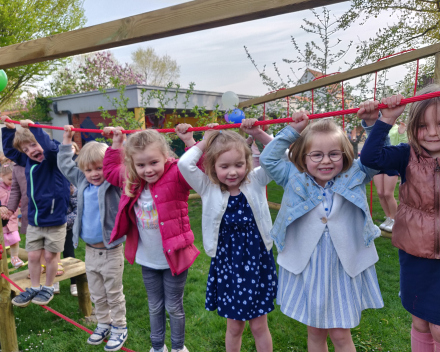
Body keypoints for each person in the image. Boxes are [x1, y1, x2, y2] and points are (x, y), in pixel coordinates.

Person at [260, 113, 384, 351]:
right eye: (316, 154)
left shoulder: (355, 174)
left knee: (340, 334)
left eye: (334, 153)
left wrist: (371, 125)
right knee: (315, 332)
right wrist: (293, 131)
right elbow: (268, 159)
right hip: (309, 264)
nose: (326, 161)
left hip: (343, 265)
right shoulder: (293, 177)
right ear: (303, 157)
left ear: (345, 154)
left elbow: (376, 156)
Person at [178, 119, 277, 352]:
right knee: (234, 327)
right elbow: (184, 163)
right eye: (224, 166)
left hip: (257, 261)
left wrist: (259, 133)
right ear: (212, 167)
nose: (233, 172)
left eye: (239, 164)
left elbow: (279, 156)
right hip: (228, 265)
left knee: (259, 326)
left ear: (247, 163)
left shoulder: (256, 179)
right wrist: (206, 140)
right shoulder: (207, 187)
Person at [103, 125, 200, 352]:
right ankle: (157, 347)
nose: (147, 170)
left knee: (174, 307)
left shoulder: (177, 174)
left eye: (153, 162)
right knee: (155, 306)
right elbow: (109, 170)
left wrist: (189, 141)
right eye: (141, 164)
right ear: (132, 164)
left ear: (165, 157)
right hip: (148, 260)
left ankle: (177, 348)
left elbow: (200, 169)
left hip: (175, 258)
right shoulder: (131, 179)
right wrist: (117, 142)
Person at [359, 86, 440, 351]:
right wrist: (386, 120)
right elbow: (370, 157)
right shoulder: (407, 154)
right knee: (419, 321)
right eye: (422, 125)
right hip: (415, 254)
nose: (432, 133)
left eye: (439, 124)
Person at [58, 127, 128, 352]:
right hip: (89, 251)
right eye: (89, 170)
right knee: (97, 292)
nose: (94, 173)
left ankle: (120, 326)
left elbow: (119, 165)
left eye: (99, 168)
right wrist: (67, 141)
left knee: (113, 292)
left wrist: (117, 143)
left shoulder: (114, 184)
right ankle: (104, 322)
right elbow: (65, 164)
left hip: (111, 250)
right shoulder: (82, 182)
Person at [1, 117, 70, 307]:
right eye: (26, 149)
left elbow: (47, 148)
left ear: (42, 139)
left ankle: (48, 286)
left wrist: (35, 128)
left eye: (33, 145)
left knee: (49, 256)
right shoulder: (27, 161)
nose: (31, 151)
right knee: (32, 256)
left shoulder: (54, 157)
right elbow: (10, 151)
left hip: (55, 219)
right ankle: (34, 287)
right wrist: (8, 130)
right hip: (34, 221)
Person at [368, 120, 408, 232]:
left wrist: (402, 132)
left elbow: (404, 145)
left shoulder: (397, 128)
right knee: (380, 193)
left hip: (392, 161)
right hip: (379, 161)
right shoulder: (378, 128)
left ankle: (396, 220)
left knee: (387, 193)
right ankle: (389, 218)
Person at [0, 161, 23, 268]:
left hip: (12, 219)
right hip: (1, 221)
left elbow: (20, 201)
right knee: (2, 240)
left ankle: (14, 257)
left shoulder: (15, 188)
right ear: (1, 176)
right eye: (10, 179)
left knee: (15, 238)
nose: (12, 182)